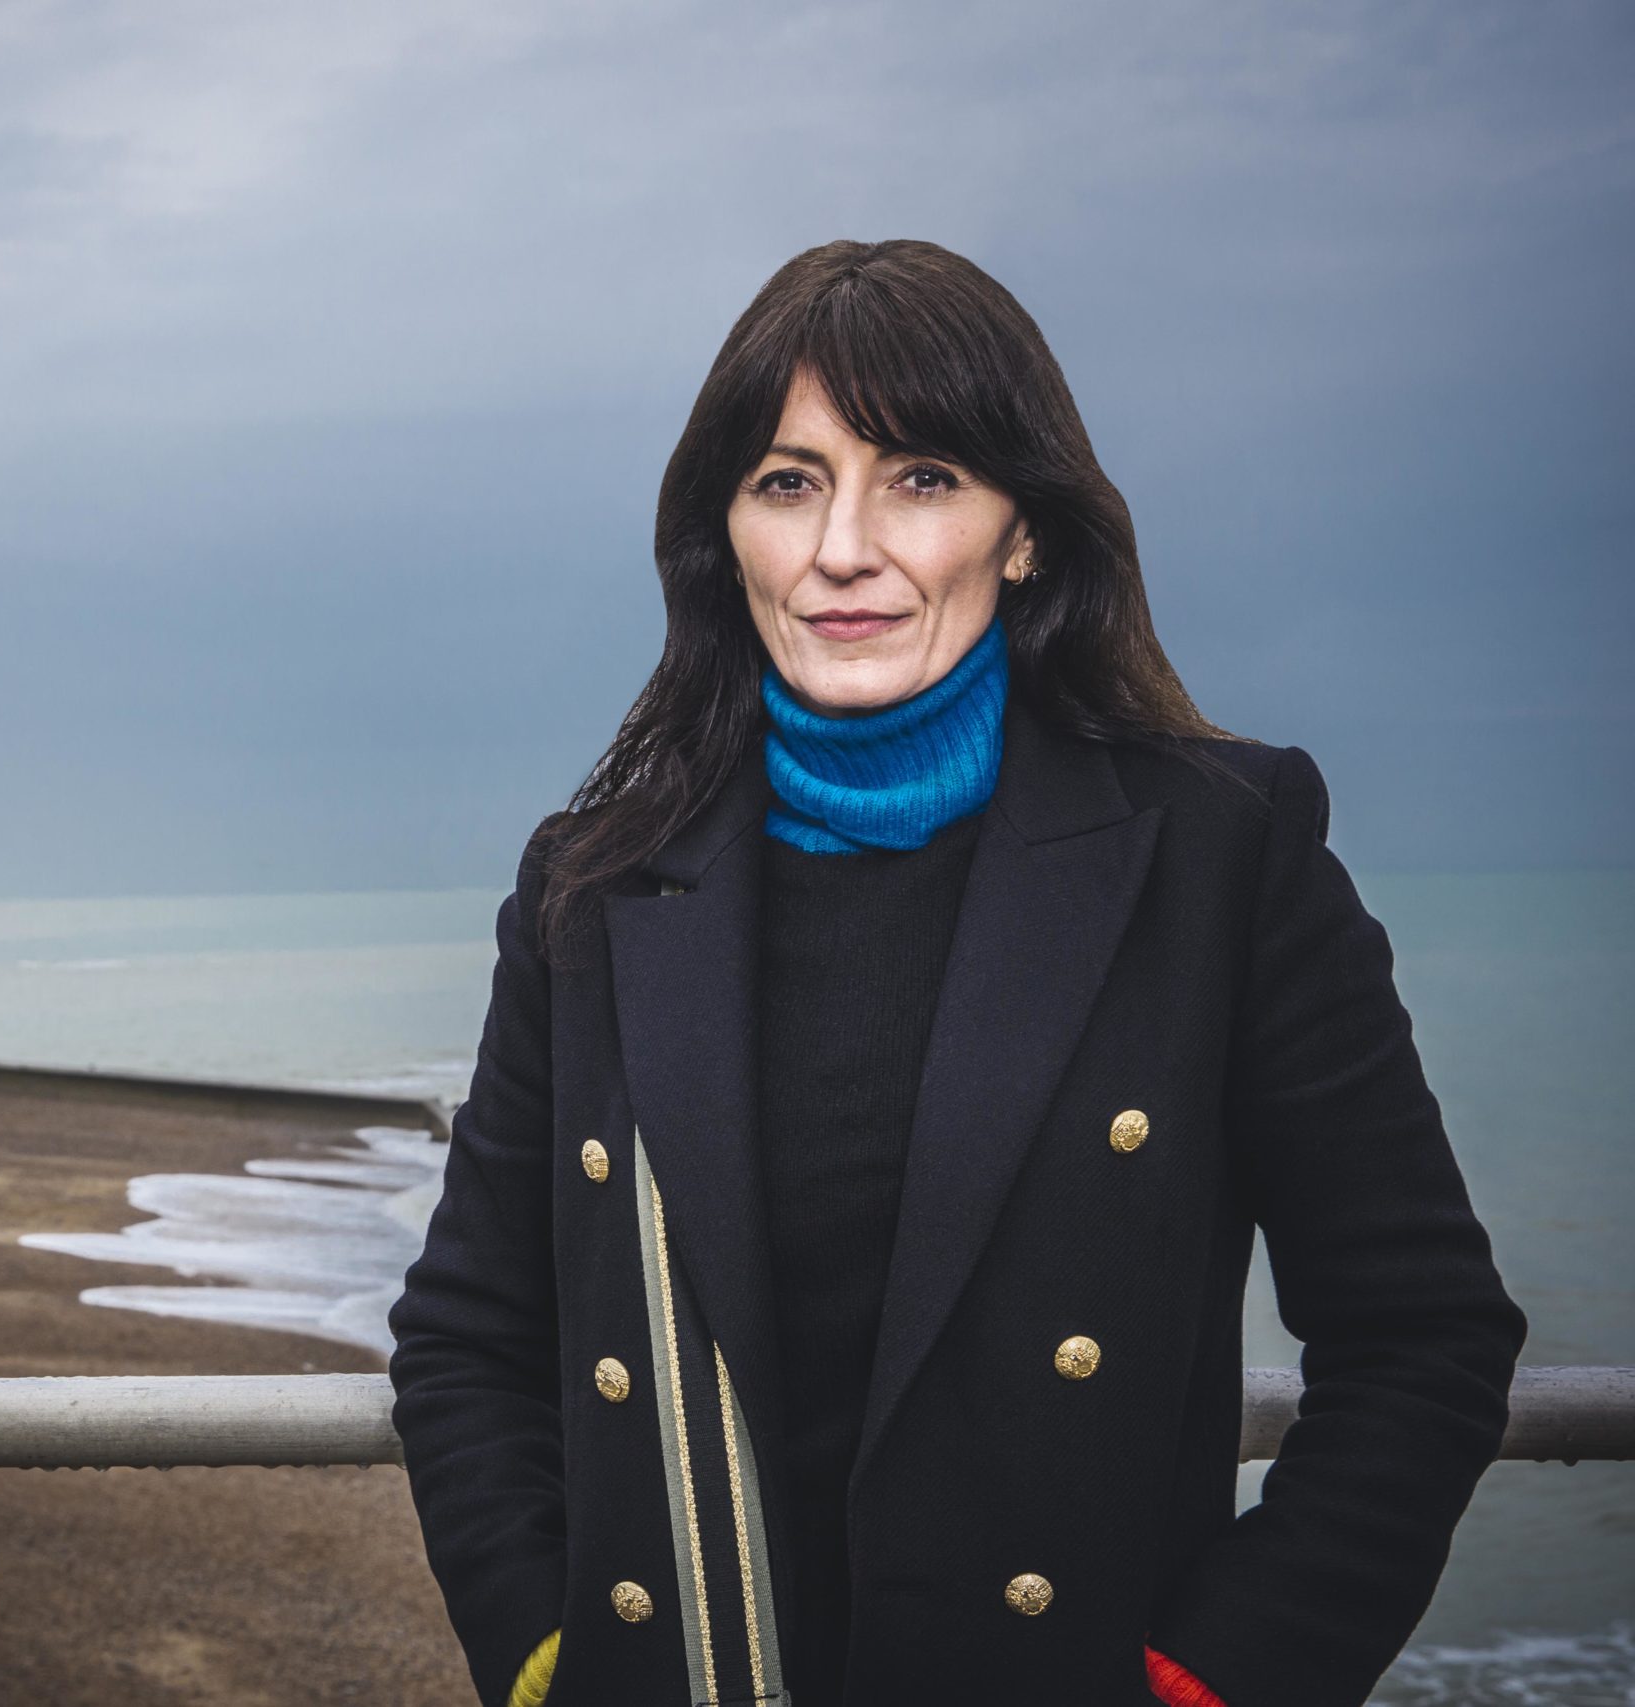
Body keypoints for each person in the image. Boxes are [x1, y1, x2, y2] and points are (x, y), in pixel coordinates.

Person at [385, 238, 1526, 1707]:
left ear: (1027, 530)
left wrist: (1210, 1682)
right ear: (723, 531)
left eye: (921, 478)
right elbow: (467, 1337)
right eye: (788, 482)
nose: (841, 547)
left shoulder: (1217, 857)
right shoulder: (595, 886)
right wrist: (550, 1660)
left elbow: (1422, 1336)